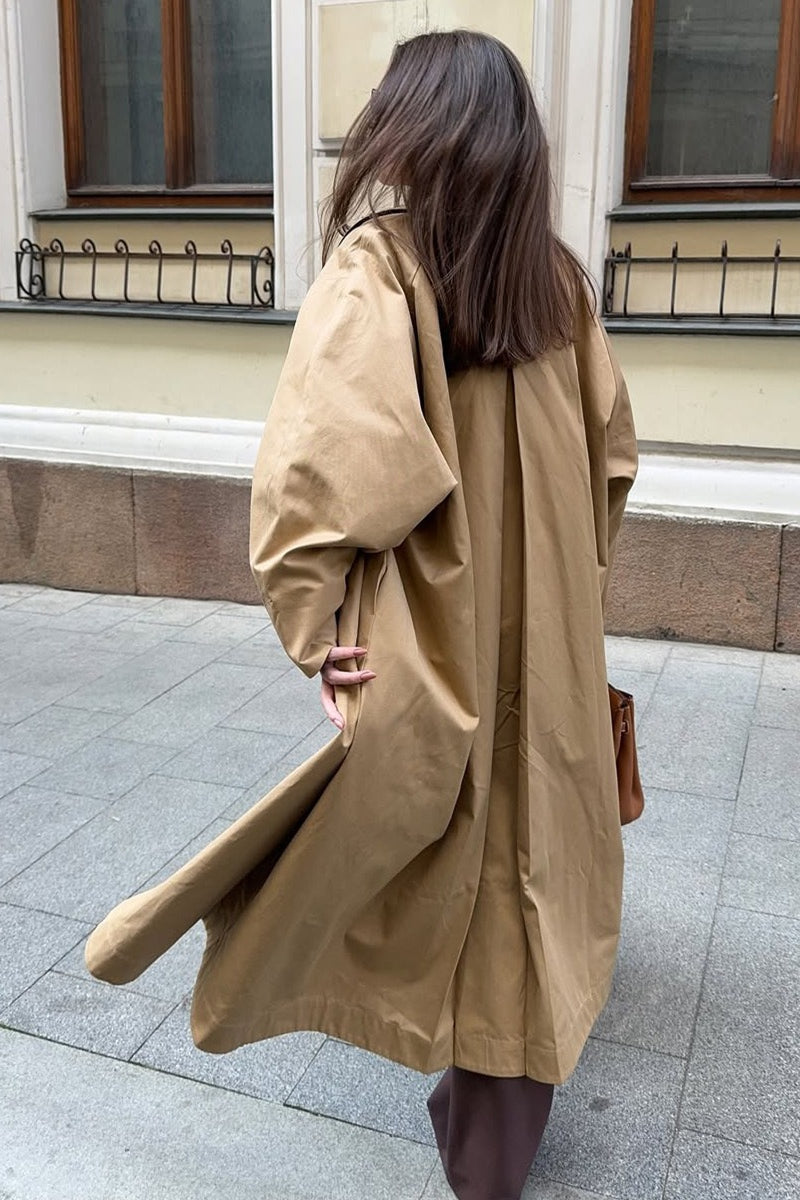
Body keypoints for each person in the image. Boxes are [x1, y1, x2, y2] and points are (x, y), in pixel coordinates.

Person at [85, 29, 638, 1200]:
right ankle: (489, 1124)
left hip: (434, 644)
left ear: (413, 132)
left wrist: (318, 632)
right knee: (527, 865)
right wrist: (564, 601)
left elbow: (316, 481)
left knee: (432, 851)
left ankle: (477, 1140)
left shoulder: (382, 272)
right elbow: (609, 471)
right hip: (543, 647)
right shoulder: (556, 287)